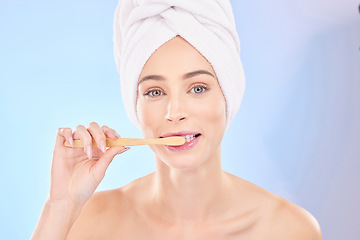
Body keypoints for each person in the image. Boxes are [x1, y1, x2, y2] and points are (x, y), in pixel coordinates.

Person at [32, 1, 322, 239]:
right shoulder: (87, 223)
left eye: (198, 88)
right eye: (155, 92)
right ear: (136, 104)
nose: (174, 111)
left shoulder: (289, 230)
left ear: (228, 94)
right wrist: (60, 206)